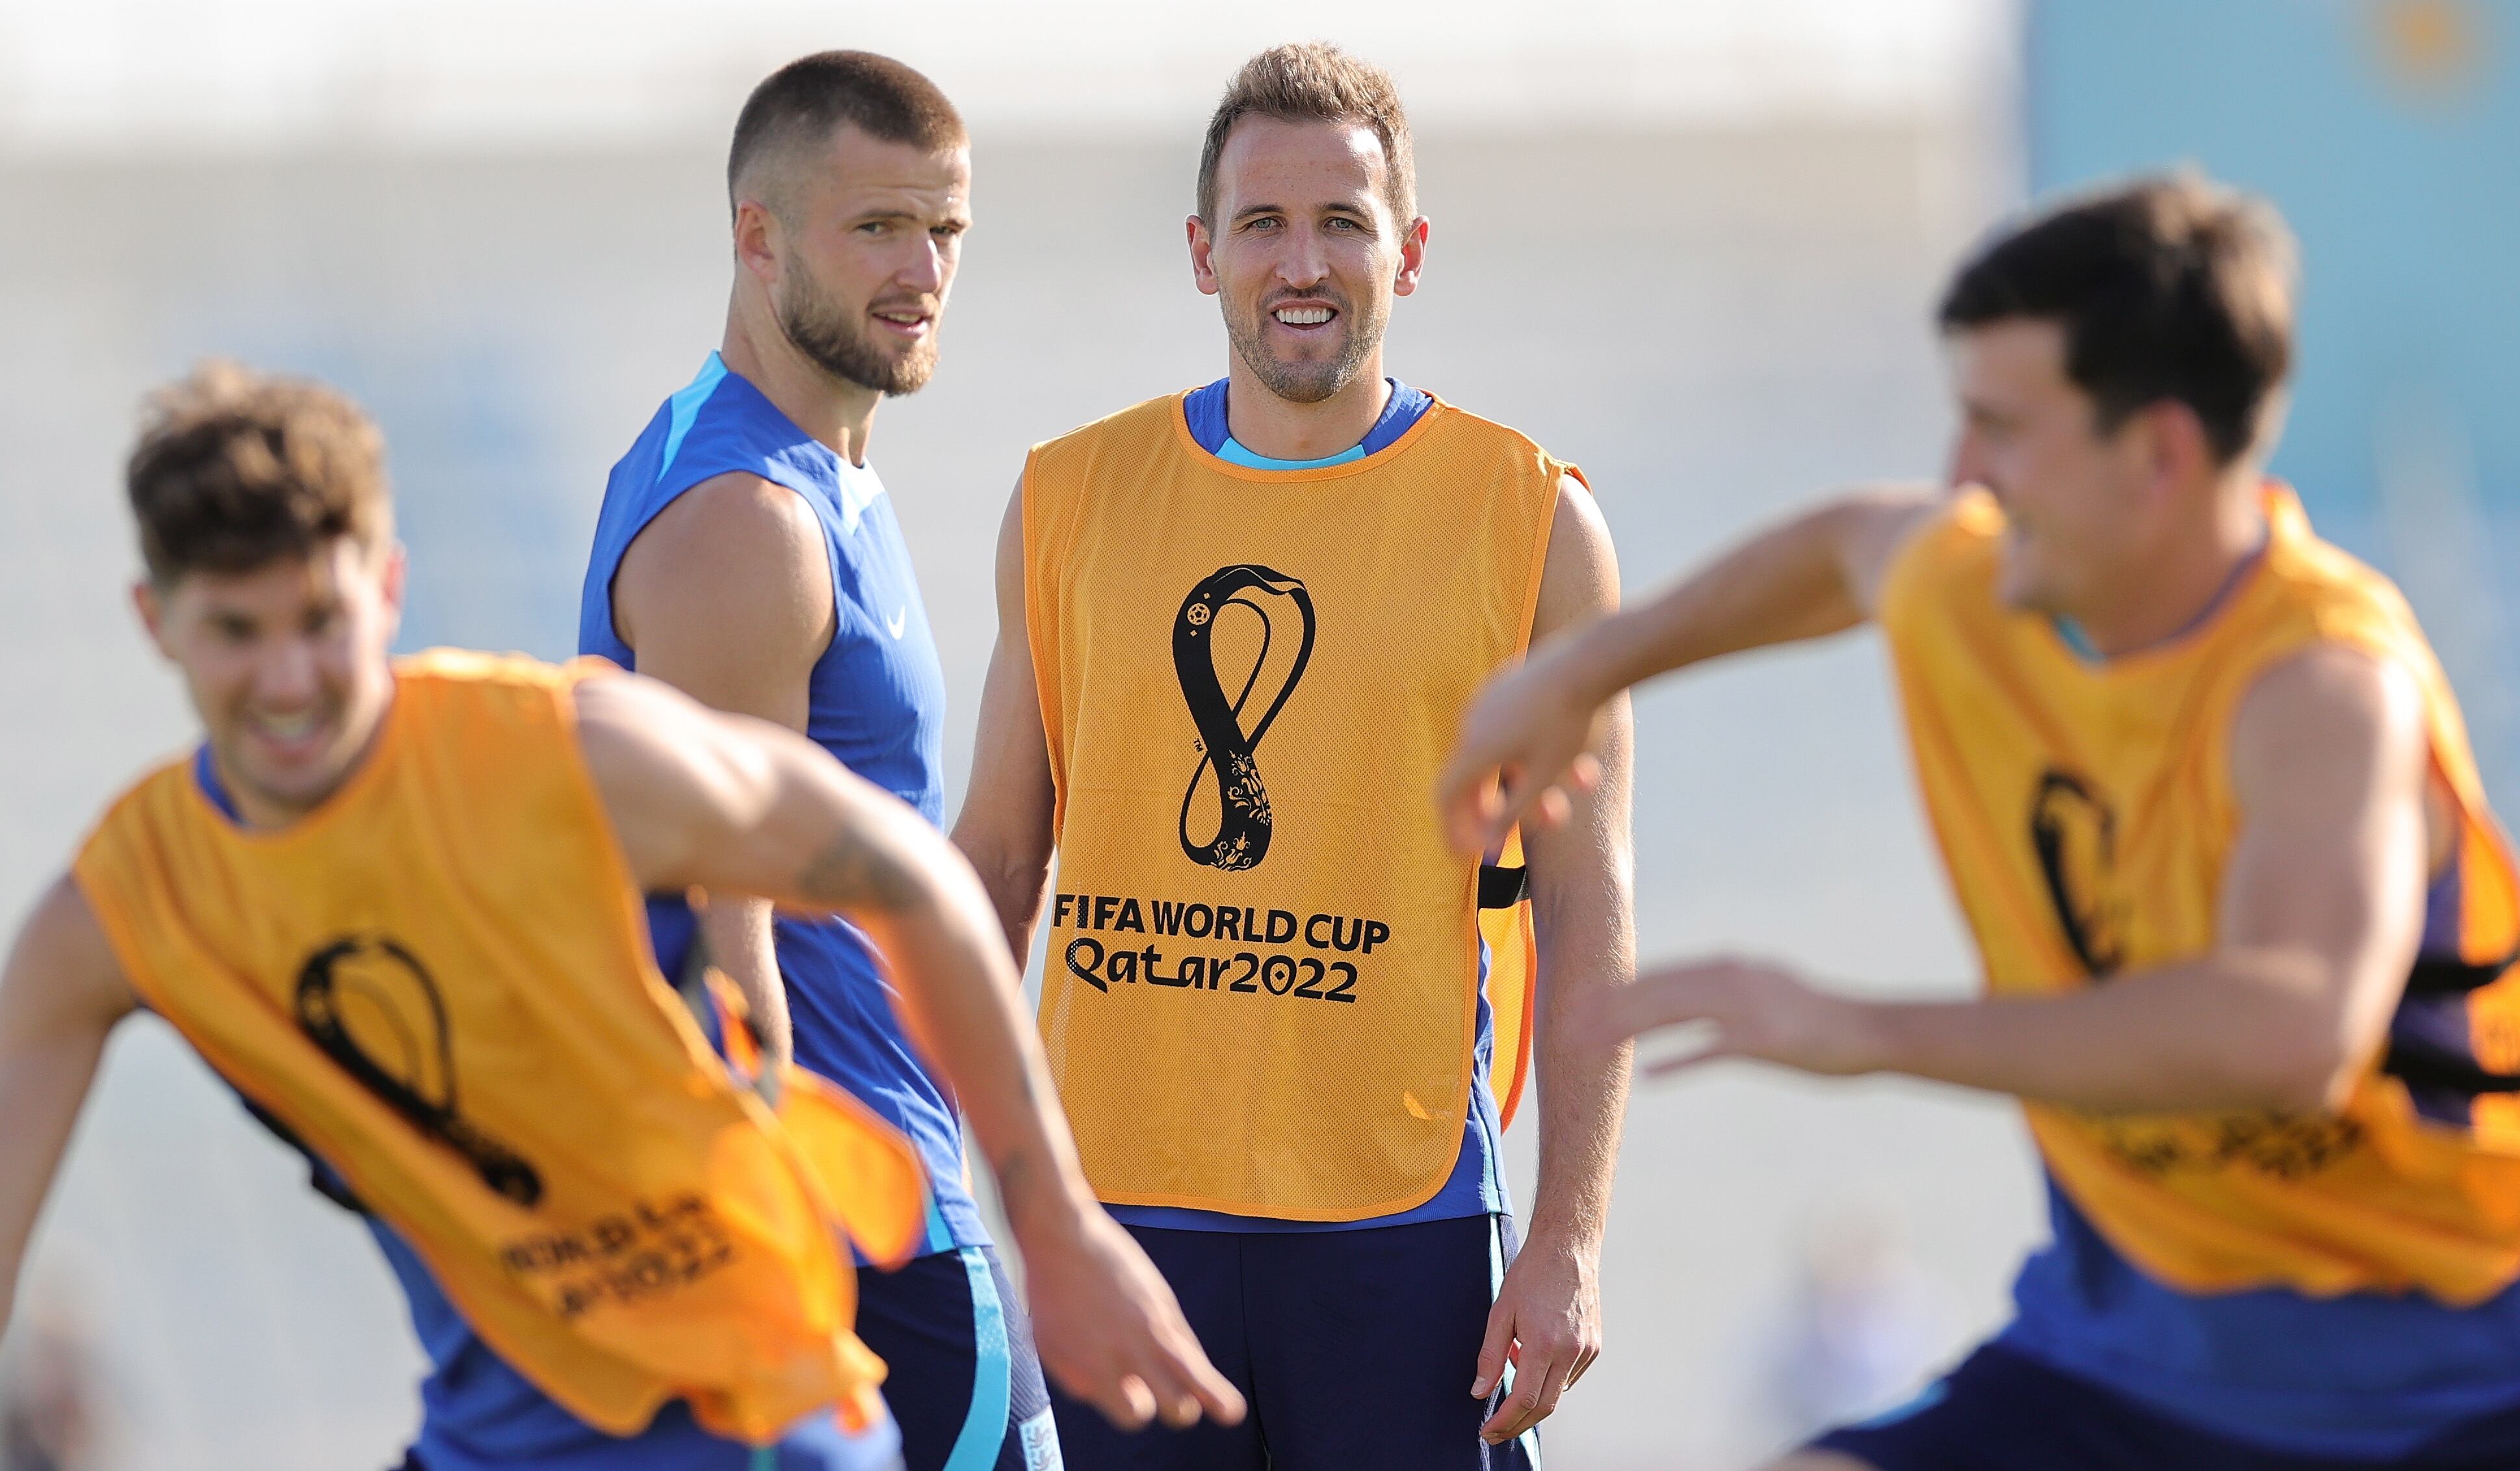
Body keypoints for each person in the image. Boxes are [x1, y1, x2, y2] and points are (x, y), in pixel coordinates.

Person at [1437, 175, 2520, 1470]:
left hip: (2440, 1381)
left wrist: (1861, 1028)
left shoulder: (2323, 686)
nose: (1961, 474)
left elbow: (2287, 1029)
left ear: (2159, 455)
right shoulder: (1988, 587)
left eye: (2001, 429)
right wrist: (1578, 673)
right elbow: (1844, 549)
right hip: (2123, 1352)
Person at [0, 364, 1241, 1471]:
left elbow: (911, 879)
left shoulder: (569, 756)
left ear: (386, 588)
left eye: (319, 622)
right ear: (157, 624)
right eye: (235, 632)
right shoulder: (125, 905)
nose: (286, 681)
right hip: (490, 1437)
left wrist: (1057, 1227)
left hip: (746, 1418)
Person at [951, 42, 1633, 1469]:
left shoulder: (1531, 522)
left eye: (1343, 222)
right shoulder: (1067, 497)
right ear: (1203, 254)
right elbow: (1000, 858)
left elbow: (1587, 906)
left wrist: (1566, 1239)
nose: (1301, 262)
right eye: (1261, 223)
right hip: (1118, 1226)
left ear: (1411, 251)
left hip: (1403, 1225)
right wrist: (941, 1172)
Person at [576, 52, 1059, 1471]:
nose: (921, 270)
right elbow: (734, 965)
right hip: (855, 1234)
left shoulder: (805, 472)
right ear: (757, 234)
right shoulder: (747, 522)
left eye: (945, 231)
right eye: (876, 230)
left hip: (894, 1193)